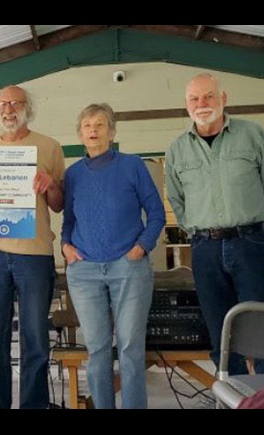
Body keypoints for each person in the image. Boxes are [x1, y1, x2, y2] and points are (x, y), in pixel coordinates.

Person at [165, 73, 264, 377]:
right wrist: (200, 232)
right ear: (186, 104)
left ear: (224, 98)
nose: (202, 104)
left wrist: (256, 231)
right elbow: (177, 200)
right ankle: (233, 397)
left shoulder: (253, 135)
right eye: (194, 98)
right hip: (205, 249)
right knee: (221, 332)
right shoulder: (177, 149)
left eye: (208, 96)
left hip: (251, 244)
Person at [0, 85, 64, 409]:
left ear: (27, 108)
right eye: (2, 103)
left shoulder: (50, 147)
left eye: (15, 103)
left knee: (35, 341)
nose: (8, 109)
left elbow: (60, 205)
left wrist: (50, 186)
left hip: (34, 256)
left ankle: (34, 405)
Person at [61, 103, 165, 409]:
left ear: (112, 131)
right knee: (97, 350)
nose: (93, 130)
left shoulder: (132, 165)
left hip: (128, 266)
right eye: (87, 126)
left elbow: (157, 213)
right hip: (84, 271)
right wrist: (66, 246)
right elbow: (69, 219)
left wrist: (142, 246)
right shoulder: (73, 174)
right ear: (80, 133)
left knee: (131, 349)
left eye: (100, 125)